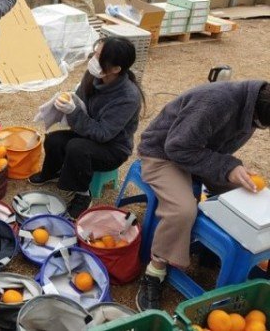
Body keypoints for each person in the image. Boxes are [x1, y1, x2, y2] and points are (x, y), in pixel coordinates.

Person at [136, 80, 270, 311]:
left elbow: (210, 151)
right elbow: (177, 147)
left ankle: (215, 253)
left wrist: (228, 169)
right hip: (163, 155)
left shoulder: (254, 105)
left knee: (250, 195)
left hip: (199, 156)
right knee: (182, 210)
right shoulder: (216, 102)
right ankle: (154, 271)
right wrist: (227, 167)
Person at [29, 37, 144, 220]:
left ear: (116, 69)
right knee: (53, 140)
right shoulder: (94, 75)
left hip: (113, 148)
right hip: (89, 133)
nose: (93, 59)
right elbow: (80, 101)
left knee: (77, 148)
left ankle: (83, 195)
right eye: (95, 53)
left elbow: (103, 134)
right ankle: (53, 172)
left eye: (99, 57)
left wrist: (73, 112)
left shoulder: (128, 97)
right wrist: (68, 101)